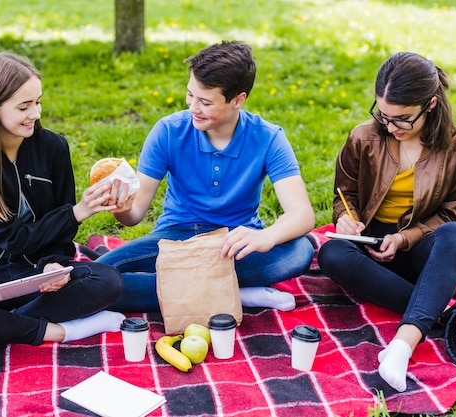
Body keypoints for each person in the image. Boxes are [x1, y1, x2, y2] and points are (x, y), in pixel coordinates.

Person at [0, 52, 125, 364]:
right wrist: (78, 211)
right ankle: (63, 331)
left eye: (38, 102)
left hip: (35, 269)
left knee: (108, 281)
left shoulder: (54, 147)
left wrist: (53, 264)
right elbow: (13, 239)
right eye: (23, 106)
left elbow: (59, 220)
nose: (35, 113)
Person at [96, 40, 315, 312]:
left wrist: (265, 237)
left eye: (205, 102)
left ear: (238, 100)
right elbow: (135, 214)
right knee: (96, 277)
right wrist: (121, 208)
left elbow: (302, 214)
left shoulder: (268, 138)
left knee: (300, 251)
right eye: (190, 95)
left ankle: (183, 290)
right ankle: (233, 291)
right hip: (175, 239)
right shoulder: (168, 131)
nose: (192, 108)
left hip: (231, 243)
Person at [317, 52, 456, 392]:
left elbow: (451, 214)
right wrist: (346, 218)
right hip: (370, 247)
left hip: (420, 247)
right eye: (383, 115)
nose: (390, 127)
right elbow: (344, 195)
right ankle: (440, 314)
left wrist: (405, 239)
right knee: (331, 254)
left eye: (402, 119)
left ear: (431, 105)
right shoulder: (363, 138)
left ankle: (402, 345)